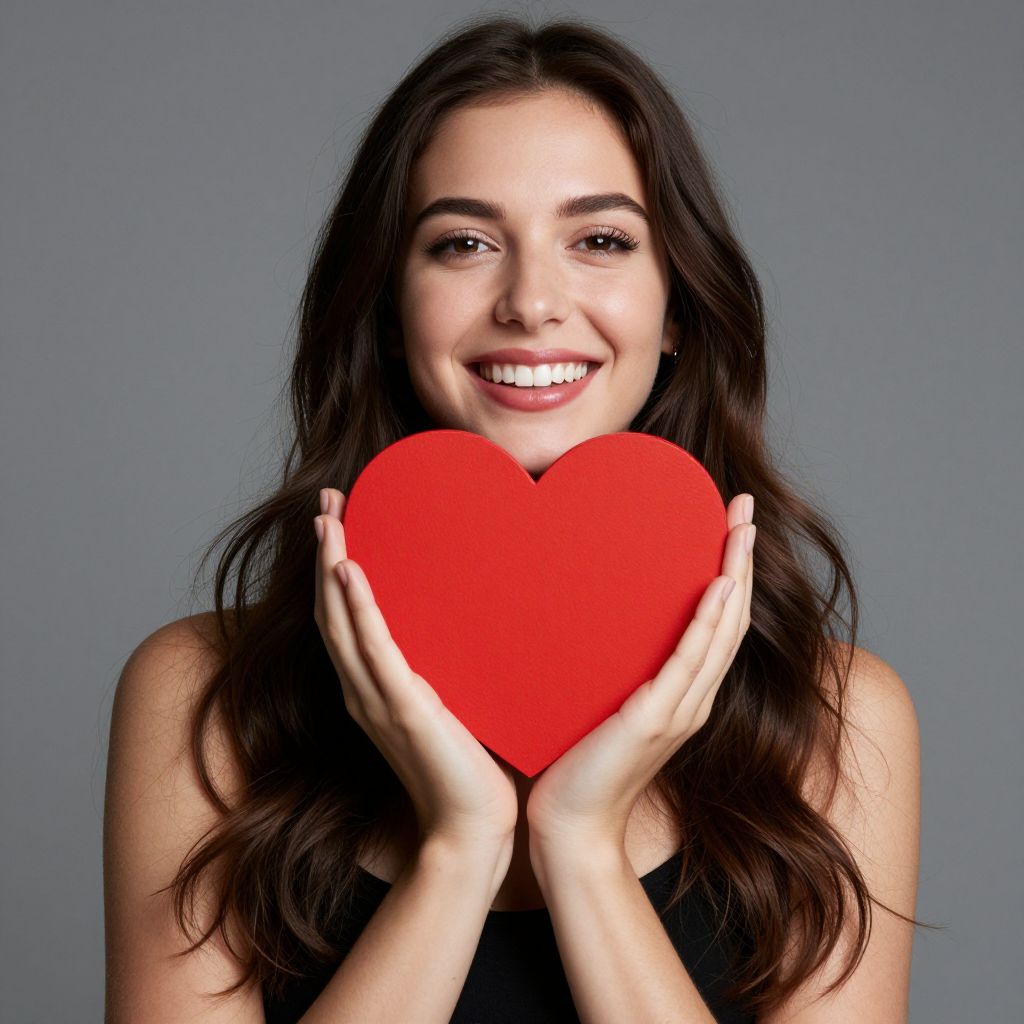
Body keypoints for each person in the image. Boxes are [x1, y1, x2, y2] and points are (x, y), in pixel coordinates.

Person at [103, 14, 927, 1024]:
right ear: (386, 308)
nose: (532, 301)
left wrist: (579, 844)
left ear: (675, 306)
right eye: (463, 242)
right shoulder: (204, 701)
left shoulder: (836, 724)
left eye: (599, 239)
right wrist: (460, 846)